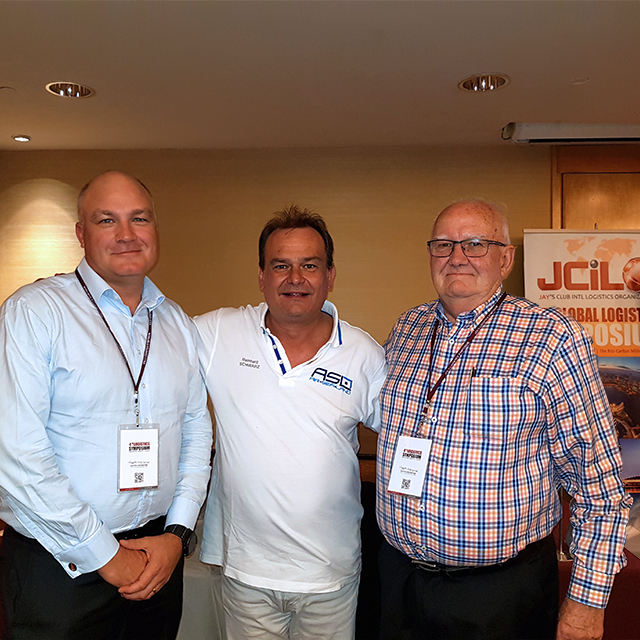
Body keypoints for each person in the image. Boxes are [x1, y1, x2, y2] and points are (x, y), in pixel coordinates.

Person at [376, 199, 630, 640]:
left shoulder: (552, 337)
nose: (457, 257)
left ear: (506, 259)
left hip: (499, 598)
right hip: (400, 582)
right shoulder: (407, 329)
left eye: (475, 244)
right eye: (443, 244)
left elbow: (598, 484)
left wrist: (586, 603)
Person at [0, 171, 213, 640]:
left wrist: (178, 534)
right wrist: (105, 554)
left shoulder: (176, 322)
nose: (126, 234)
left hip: (157, 559)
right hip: (59, 567)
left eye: (140, 218)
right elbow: (15, 452)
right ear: (81, 233)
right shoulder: (35, 313)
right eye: (106, 220)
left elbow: (197, 432)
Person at [195, 206, 386, 640]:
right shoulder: (218, 333)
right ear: (262, 276)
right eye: (281, 265)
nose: (295, 278)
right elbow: (149, 343)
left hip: (331, 574)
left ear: (330, 276)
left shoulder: (363, 354)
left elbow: (403, 434)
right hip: (246, 572)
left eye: (310, 266)